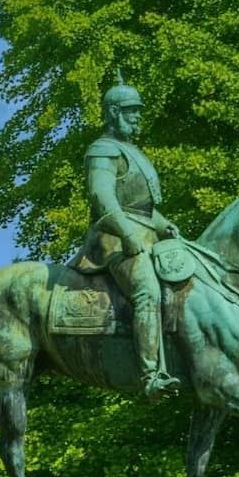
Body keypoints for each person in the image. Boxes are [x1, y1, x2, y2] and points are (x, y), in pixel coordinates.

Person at [70, 74, 182, 395]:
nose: (137, 117)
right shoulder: (103, 150)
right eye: (131, 111)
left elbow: (140, 207)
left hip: (145, 234)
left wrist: (163, 225)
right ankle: (150, 376)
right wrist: (127, 234)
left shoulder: (131, 152)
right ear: (114, 112)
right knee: (148, 291)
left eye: (138, 111)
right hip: (113, 239)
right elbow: (102, 197)